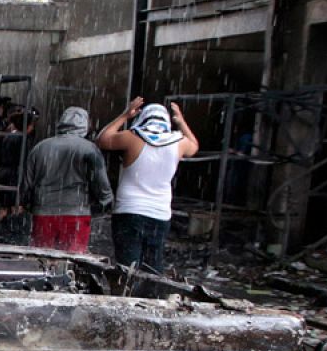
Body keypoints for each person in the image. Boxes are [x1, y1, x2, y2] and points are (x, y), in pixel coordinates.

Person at [96, 97, 200, 272]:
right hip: (159, 215)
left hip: (129, 212)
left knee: (126, 269)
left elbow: (102, 139)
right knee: (153, 268)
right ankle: (150, 297)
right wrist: (181, 122)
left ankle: (125, 297)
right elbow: (195, 146)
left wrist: (124, 115)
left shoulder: (132, 137)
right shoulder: (179, 142)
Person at [20, 106, 112, 253]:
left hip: (43, 212)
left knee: (41, 260)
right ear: (84, 125)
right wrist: (106, 202)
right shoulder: (90, 149)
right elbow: (101, 182)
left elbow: (26, 183)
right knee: (73, 260)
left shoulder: (40, 148)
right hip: (76, 214)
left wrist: (26, 204)